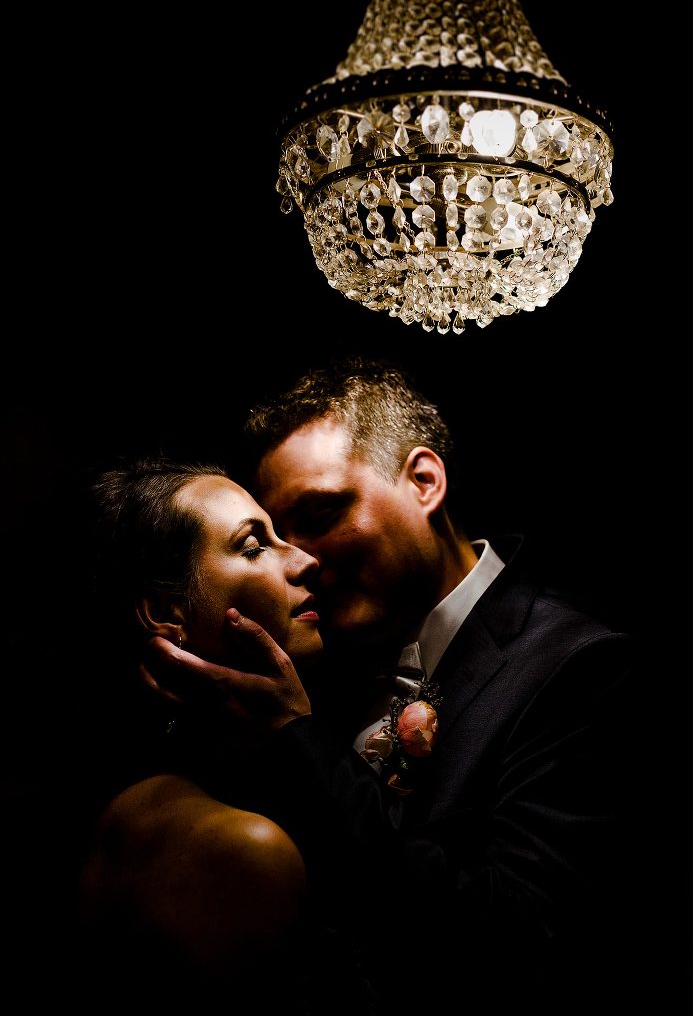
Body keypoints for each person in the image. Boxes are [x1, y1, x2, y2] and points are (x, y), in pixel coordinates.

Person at [142, 358, 647, 1014]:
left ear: (424, 481)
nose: (302, 559)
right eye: (277, 535)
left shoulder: (580, 667)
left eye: (322, 512)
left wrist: (299, 742)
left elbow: (526, 950)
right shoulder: (318, 662)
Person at [73, 457, 375, 1010]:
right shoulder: (238, 850)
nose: (306, 561)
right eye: (254, 545)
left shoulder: (131, 797)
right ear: (168, 612)